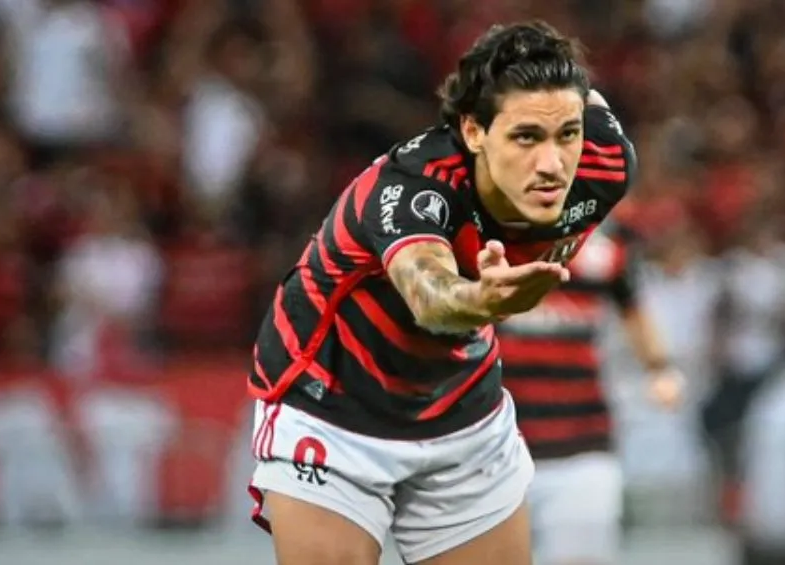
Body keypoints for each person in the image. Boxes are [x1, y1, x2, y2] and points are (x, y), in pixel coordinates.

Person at [245, 21, 637, 565]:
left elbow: (586, 100)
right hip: (331, 402)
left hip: (458, 408)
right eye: (526, 137)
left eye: (566, 134)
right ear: (474, 131)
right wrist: (484, 302)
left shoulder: (605, 165)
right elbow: (430, 294)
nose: (552, 165)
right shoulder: (412, 187)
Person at [498, 221, 684, 565]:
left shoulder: (604, 252)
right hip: (494, 450)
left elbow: (634, 309)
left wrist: (659, 367)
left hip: (581, 446)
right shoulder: (484, 244)